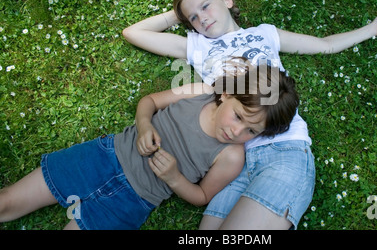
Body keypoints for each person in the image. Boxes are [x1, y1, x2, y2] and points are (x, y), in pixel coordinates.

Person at [122, 0, 377, 229]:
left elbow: (324, 45)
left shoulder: (265, 34)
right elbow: (133, 32)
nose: (202, 18)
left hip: (284, 151)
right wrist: (179, 11)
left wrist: (370, 30)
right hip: (230, 159)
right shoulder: (197, 46)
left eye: (205, 6)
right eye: (193, 17)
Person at [0, 64, 298, 230]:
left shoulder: (232, 156)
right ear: (227, 94)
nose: (236, 131)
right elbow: (150, 102)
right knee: (7, 202)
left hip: (131, 201)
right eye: (239, 117)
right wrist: (145, 126)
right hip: (103, 157)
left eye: (251, 131)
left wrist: (174, 178)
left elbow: (203, 195)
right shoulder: (201, 93)